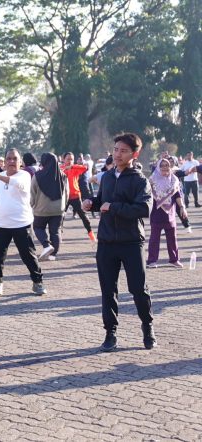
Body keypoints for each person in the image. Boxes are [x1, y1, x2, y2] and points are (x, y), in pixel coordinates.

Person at [82, 133, 156, 352]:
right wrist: (92, 203)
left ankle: (147, 325)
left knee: (138, 289)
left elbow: (144, 209)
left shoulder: (140, 180)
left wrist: (112, 207)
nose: (118, 154)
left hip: (131, 242)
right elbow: (103, 202)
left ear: (135, 154)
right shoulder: (107, 177)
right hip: (106, 242)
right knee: (108, 290)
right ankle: (110, 333)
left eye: (123, 150)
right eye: (115, 149)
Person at [0, 148, 46, 296]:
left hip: (21, 223)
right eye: (8, 159)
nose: (11, 162)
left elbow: (16, 183)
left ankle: (37, 282)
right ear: (4, 161)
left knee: (28, 255)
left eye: (14, 159)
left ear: (20, 161)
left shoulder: (25, 175)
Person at [146, 159, 185, 268]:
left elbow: (177, 195)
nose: (164, 167)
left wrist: (182, 207)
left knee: (172, 238)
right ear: (158, 167)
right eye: (162, 165)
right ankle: (152, 261)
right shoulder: (152, 180)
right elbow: (146, 195)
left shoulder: (174, 179)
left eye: (167, 165)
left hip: (170, 213)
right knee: (154, 239)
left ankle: (174, 259)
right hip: (156, 213)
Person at [31, 152, 69, 262]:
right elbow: (67, 192)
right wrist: (64, 206)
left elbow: (32, 193)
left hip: (42, 209)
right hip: (58, 209)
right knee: (55, 231)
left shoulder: (37, 176)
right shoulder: (62, 175)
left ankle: (46, 245)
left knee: (38, 228)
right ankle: (53, 255)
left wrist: (32, 205)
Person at [61, 152, 96, 245]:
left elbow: (85, 168)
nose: (70, 161)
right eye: (68, 159)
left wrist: (71, 167)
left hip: (76, 196)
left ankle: (91, 235)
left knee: (84, 217)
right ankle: (58, 236)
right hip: (64, 197)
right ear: (63, 159)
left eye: (71, 159)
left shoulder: (75, 168)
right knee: (60, 217)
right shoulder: (60, 169)